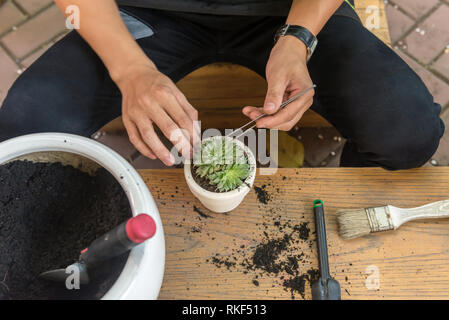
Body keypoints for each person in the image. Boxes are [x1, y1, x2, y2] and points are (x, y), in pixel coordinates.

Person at [0, 0, 444, 170]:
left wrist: (300, 37)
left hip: (286, 12)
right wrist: (129, 70)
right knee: (23, 130)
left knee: (409, 133)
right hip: (148, 11)